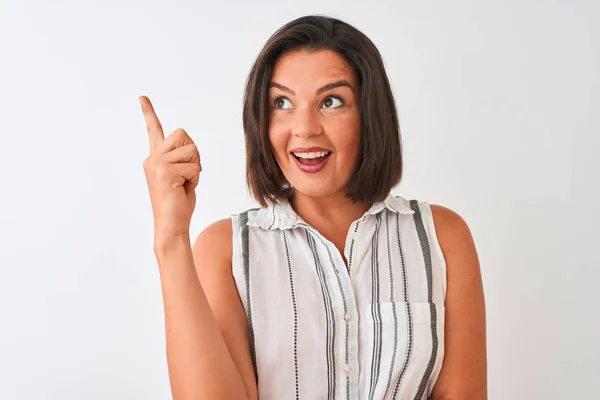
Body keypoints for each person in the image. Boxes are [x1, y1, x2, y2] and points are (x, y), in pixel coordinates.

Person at [140, 15, 487, 400]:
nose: (304, 128)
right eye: (282, 103)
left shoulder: (442, 236)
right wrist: (170, 239)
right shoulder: (225, 249)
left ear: (369, 115)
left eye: (331, 101)